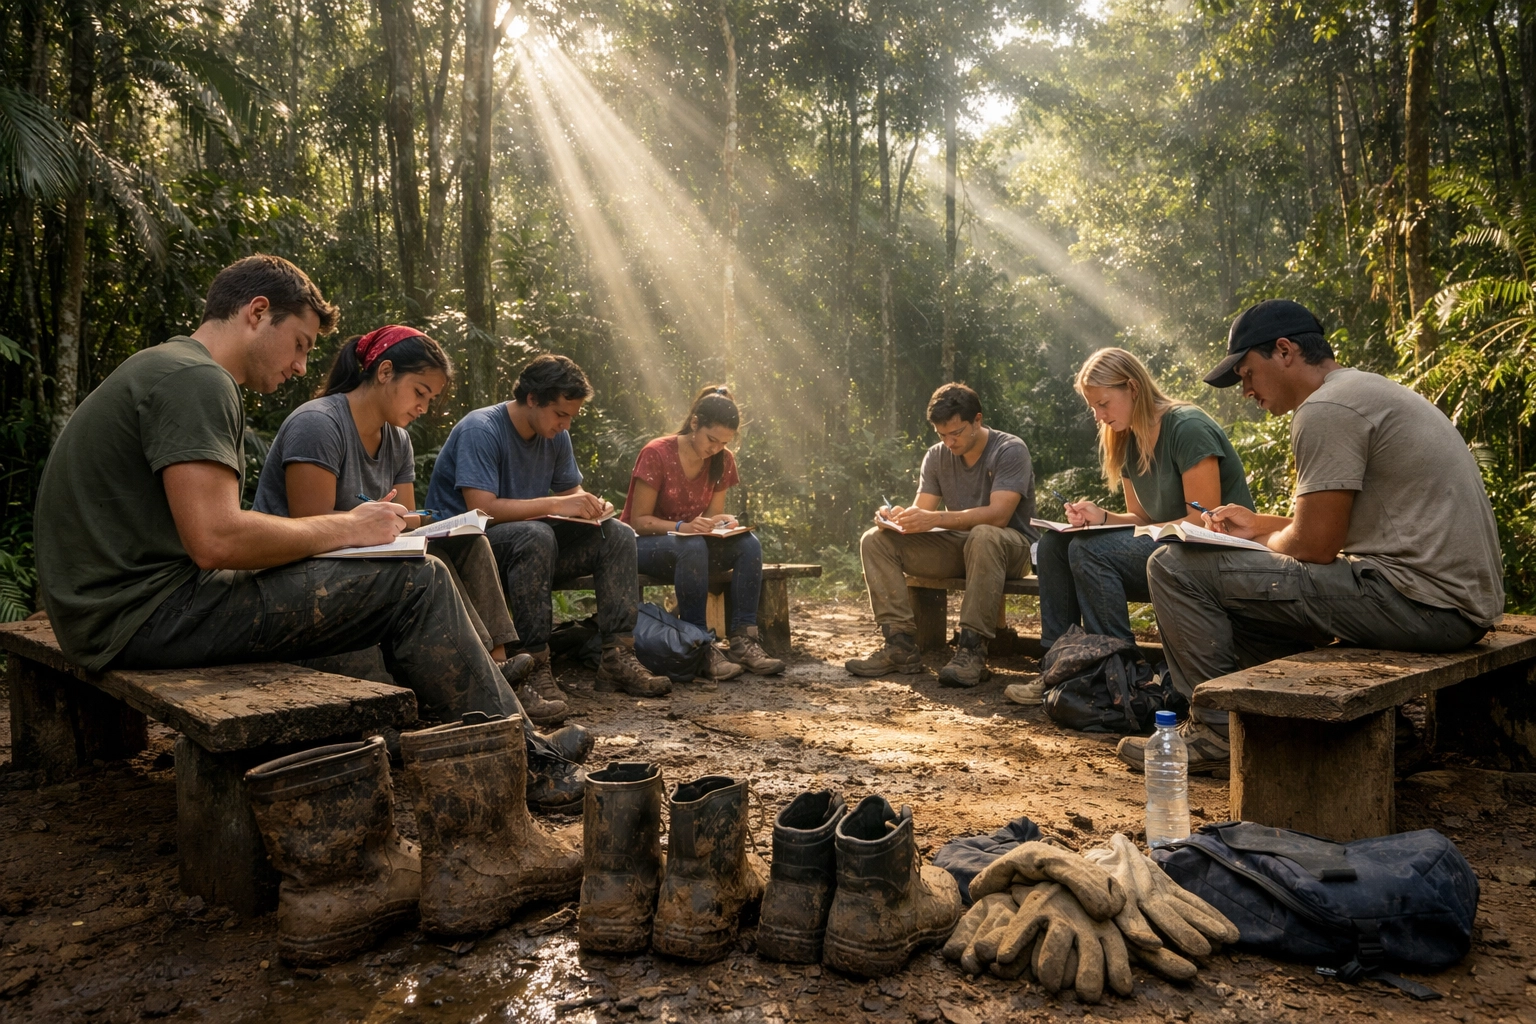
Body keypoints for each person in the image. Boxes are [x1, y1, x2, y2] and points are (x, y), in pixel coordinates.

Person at [31, 255, 585, 808]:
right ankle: (522, 762)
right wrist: (348, 526)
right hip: (140, 615)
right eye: (299, 343)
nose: (301, 367)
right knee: (418, 581)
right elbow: (217, 541)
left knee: (424, 569)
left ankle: (490, 732)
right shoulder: (198, 380)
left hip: (119, 608)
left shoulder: (175, 368)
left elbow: (208, 536)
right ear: (257, 312)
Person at [1117, 299, 1505, 773]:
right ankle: (1378, 728)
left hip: (1423, 603)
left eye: (1247, 374)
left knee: (1174, 568)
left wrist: (1256, 545)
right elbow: (1335, 530)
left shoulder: (1325, 409)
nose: (1246, 391)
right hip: (1447, 600)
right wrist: (1258, 527)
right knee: (1237, 603)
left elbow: (1315, 548)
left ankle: (1216, 732)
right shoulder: (1362, 391)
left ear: (1284, 351)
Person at [251, 324, 574, 730]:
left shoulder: (398, 440)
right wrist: (368, 524)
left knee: (470, 543)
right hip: (302, 570)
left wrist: (438, 523)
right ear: (384, 372)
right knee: (427, 570)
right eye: (420, 392)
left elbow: (404, 521)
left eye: (432, 399)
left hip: (366, 557)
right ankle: (476, 683)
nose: (424, 406)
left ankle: (496, 667)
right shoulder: (319, 424)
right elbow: (308, 530)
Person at [1016, 348, 1255, 705]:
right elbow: (1142, 519)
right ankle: (1059, 668)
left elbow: (1202, 521)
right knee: (1054, 545)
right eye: (1093, 408)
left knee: (1088, 550)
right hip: (1169, 547)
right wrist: (1102, 518)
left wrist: (1109, 535)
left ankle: (1120, 677)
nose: (1098, 416)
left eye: (1103, 404)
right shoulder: (1128, 437)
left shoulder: (1187, 427)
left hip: (1214, 552)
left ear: (1132, 387)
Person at [425, 354, 671, 701]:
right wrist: (556, 504)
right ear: (532, 399)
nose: (566, 425)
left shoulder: (556, 435)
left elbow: (572, 495)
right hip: (471, 553)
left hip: (533, 554)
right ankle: (533, 665)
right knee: (535, 534)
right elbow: (482, 510)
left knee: (614, 533)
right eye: (560, 414)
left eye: (571, 416)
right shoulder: (481, 429)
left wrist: (594, 507)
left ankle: (617, 658)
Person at [846, 383, 1038, 687]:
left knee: (984, 535)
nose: (949, 442)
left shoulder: (1009, 449)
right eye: (942, 435)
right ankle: (900, 646)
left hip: (1010, 548)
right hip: (962, 546)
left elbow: (999, 515)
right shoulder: (936, 456)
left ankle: (971, 650)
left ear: (977, 419)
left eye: (956, 433)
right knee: (874, 540)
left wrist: (935, 518)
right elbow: (922, 513)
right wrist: (896, 519)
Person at [620, 386, 785, 682]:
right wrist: (682, 528)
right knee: (693, 545)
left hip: (690, 545)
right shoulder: (656, 452)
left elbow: (708, 519)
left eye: (724, 442)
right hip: (641, 545)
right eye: (712, 440)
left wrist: (722, 523)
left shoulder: (722, 460)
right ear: (695, 423)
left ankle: (743, 640)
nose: (716, 448)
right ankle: (699, 644)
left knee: (748, 544)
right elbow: (638, 522)